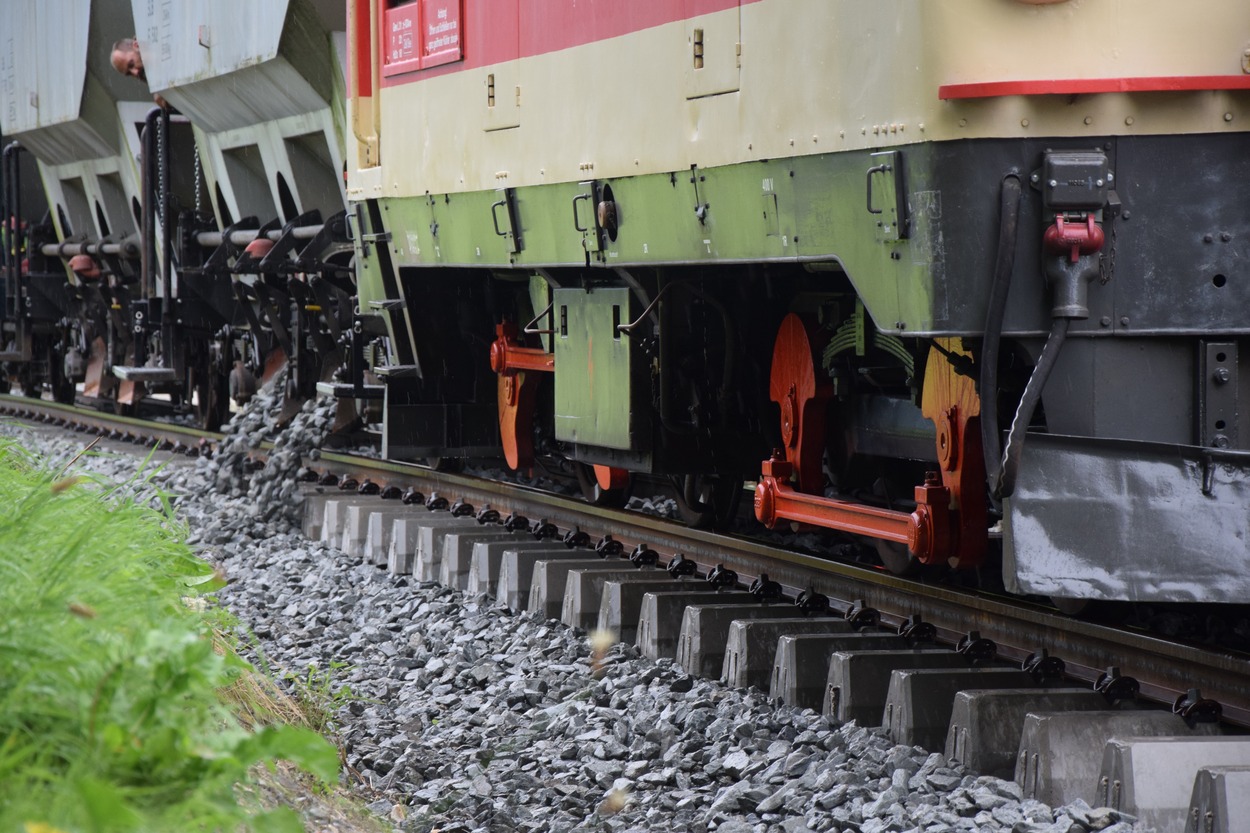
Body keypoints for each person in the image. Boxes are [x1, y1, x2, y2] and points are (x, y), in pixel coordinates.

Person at [110, 37, 168, 108]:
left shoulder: (166, 43)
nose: (135, 72)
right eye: (129, 73)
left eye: (131, 64)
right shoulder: (159, 91)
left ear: (137, 45)